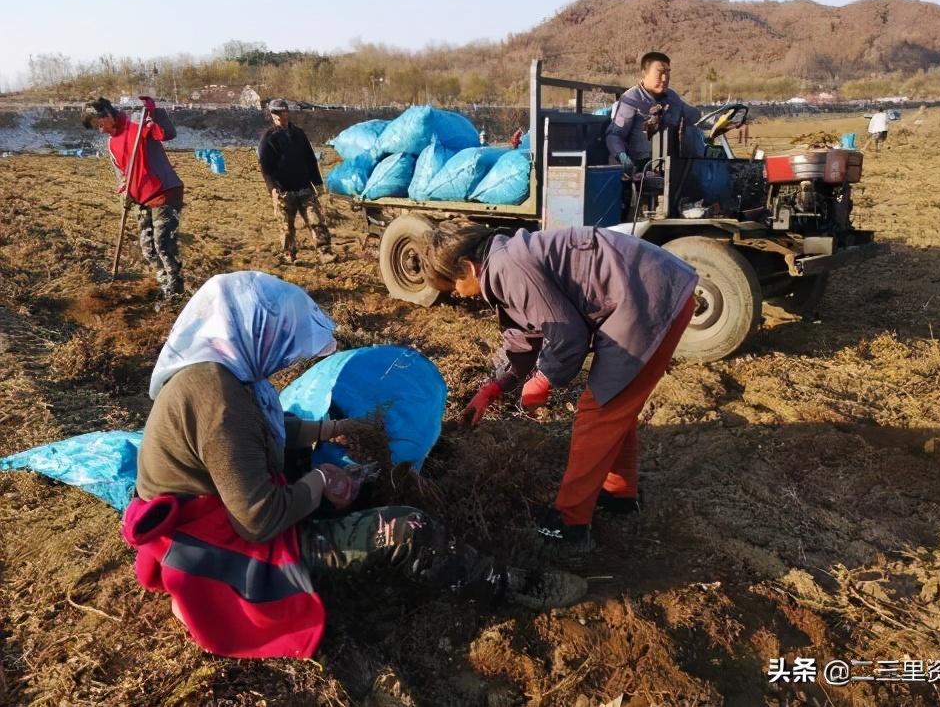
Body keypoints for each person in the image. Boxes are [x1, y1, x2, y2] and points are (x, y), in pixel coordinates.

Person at [124, 271, 584, 658]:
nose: (287, 357)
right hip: (218, 548)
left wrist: (332, 431)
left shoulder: (225, 372)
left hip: (220, 514)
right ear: (254, 331)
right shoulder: (216, 397)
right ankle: (506, 585)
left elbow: (268, 432)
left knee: (340, 476)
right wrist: (321, 479)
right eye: (282, 341)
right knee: (409, 529)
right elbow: (258, 519)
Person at [420, 222, 698, 552]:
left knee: (599, 412)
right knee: (614, 403)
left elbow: (567, 335)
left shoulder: (507, 267)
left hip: (649, 298)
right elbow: (525, 337)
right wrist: (493, 388)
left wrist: (543, 379)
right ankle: (619, 494)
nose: (456, 294)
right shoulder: (505, 263)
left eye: (453, 286)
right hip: (649, 291)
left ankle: (570, 523)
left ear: (468, 266)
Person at [82, 96, 185, 300]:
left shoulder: (138, 125)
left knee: (163, 244)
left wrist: (154, 112)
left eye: (100, 124)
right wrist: (124, 193)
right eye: (96, 128)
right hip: (140, 199)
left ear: (108, 115)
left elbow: (167, 133)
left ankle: (176, 292)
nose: (100, 130)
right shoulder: (112, 144)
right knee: (148, 249)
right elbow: (122, 175)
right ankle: (165, 283)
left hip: (164, 191)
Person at [257, 99, 334, 264]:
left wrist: (318, 183)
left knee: (316, 221)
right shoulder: (268, 138)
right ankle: (289, 255)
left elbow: (310, 159)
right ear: (271, 115)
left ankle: (325, 252)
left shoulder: (299, 134)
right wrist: (273, 189)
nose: (278, 116)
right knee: (286, 227)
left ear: (287, 112)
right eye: (274, 113)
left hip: (304, 187)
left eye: (281, 112)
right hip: (283, 191)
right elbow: (266, 167)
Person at [605, 51, 702, 174]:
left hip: (669, 164)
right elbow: (614, 135)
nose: (665, 78)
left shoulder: (672, 97)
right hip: (639, 166)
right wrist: (623, 158)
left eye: (667, 73)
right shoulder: (631, 99)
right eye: (660, 73)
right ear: (644, 73)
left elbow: (692, 115)